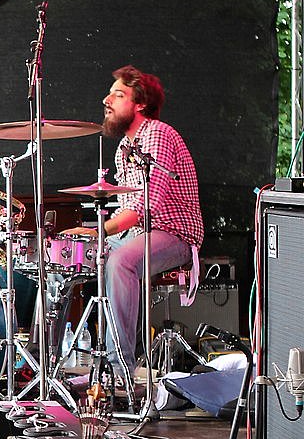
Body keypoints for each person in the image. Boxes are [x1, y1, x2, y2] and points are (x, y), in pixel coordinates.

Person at [64, 65, 203, 381]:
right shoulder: (124, 148)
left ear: (140, 103)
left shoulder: (157, 134)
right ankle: (51, 362)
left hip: (174, 234)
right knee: (67, 254)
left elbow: (144, 207)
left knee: (121, 262)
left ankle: (118, 369)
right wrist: (91, 237)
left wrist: (98, 231)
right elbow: (129, 211)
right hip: (137, 233)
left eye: (117, 94)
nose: (106, 100)